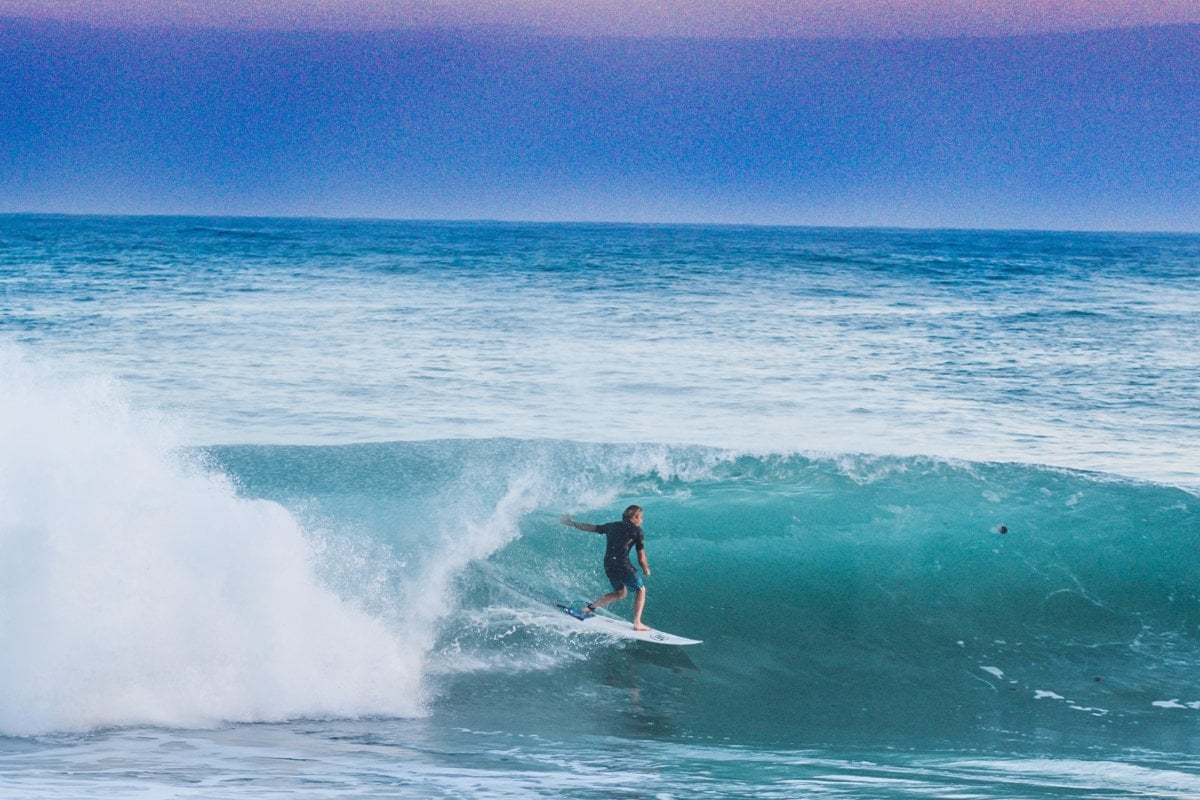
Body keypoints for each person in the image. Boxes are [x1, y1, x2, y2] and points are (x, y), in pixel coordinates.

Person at [561, 505, 651, 631]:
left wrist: (571, 523)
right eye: (641, 517)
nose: (642, 520)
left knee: (620, 593)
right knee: (641, 590)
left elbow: (591, 528)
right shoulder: (637, 531)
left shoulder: (612, 525)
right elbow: (641, 557)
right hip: (623, 564)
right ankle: (637, 623)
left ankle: (588, 608)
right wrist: (646, 568)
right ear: (634, 517)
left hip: (609, 564)